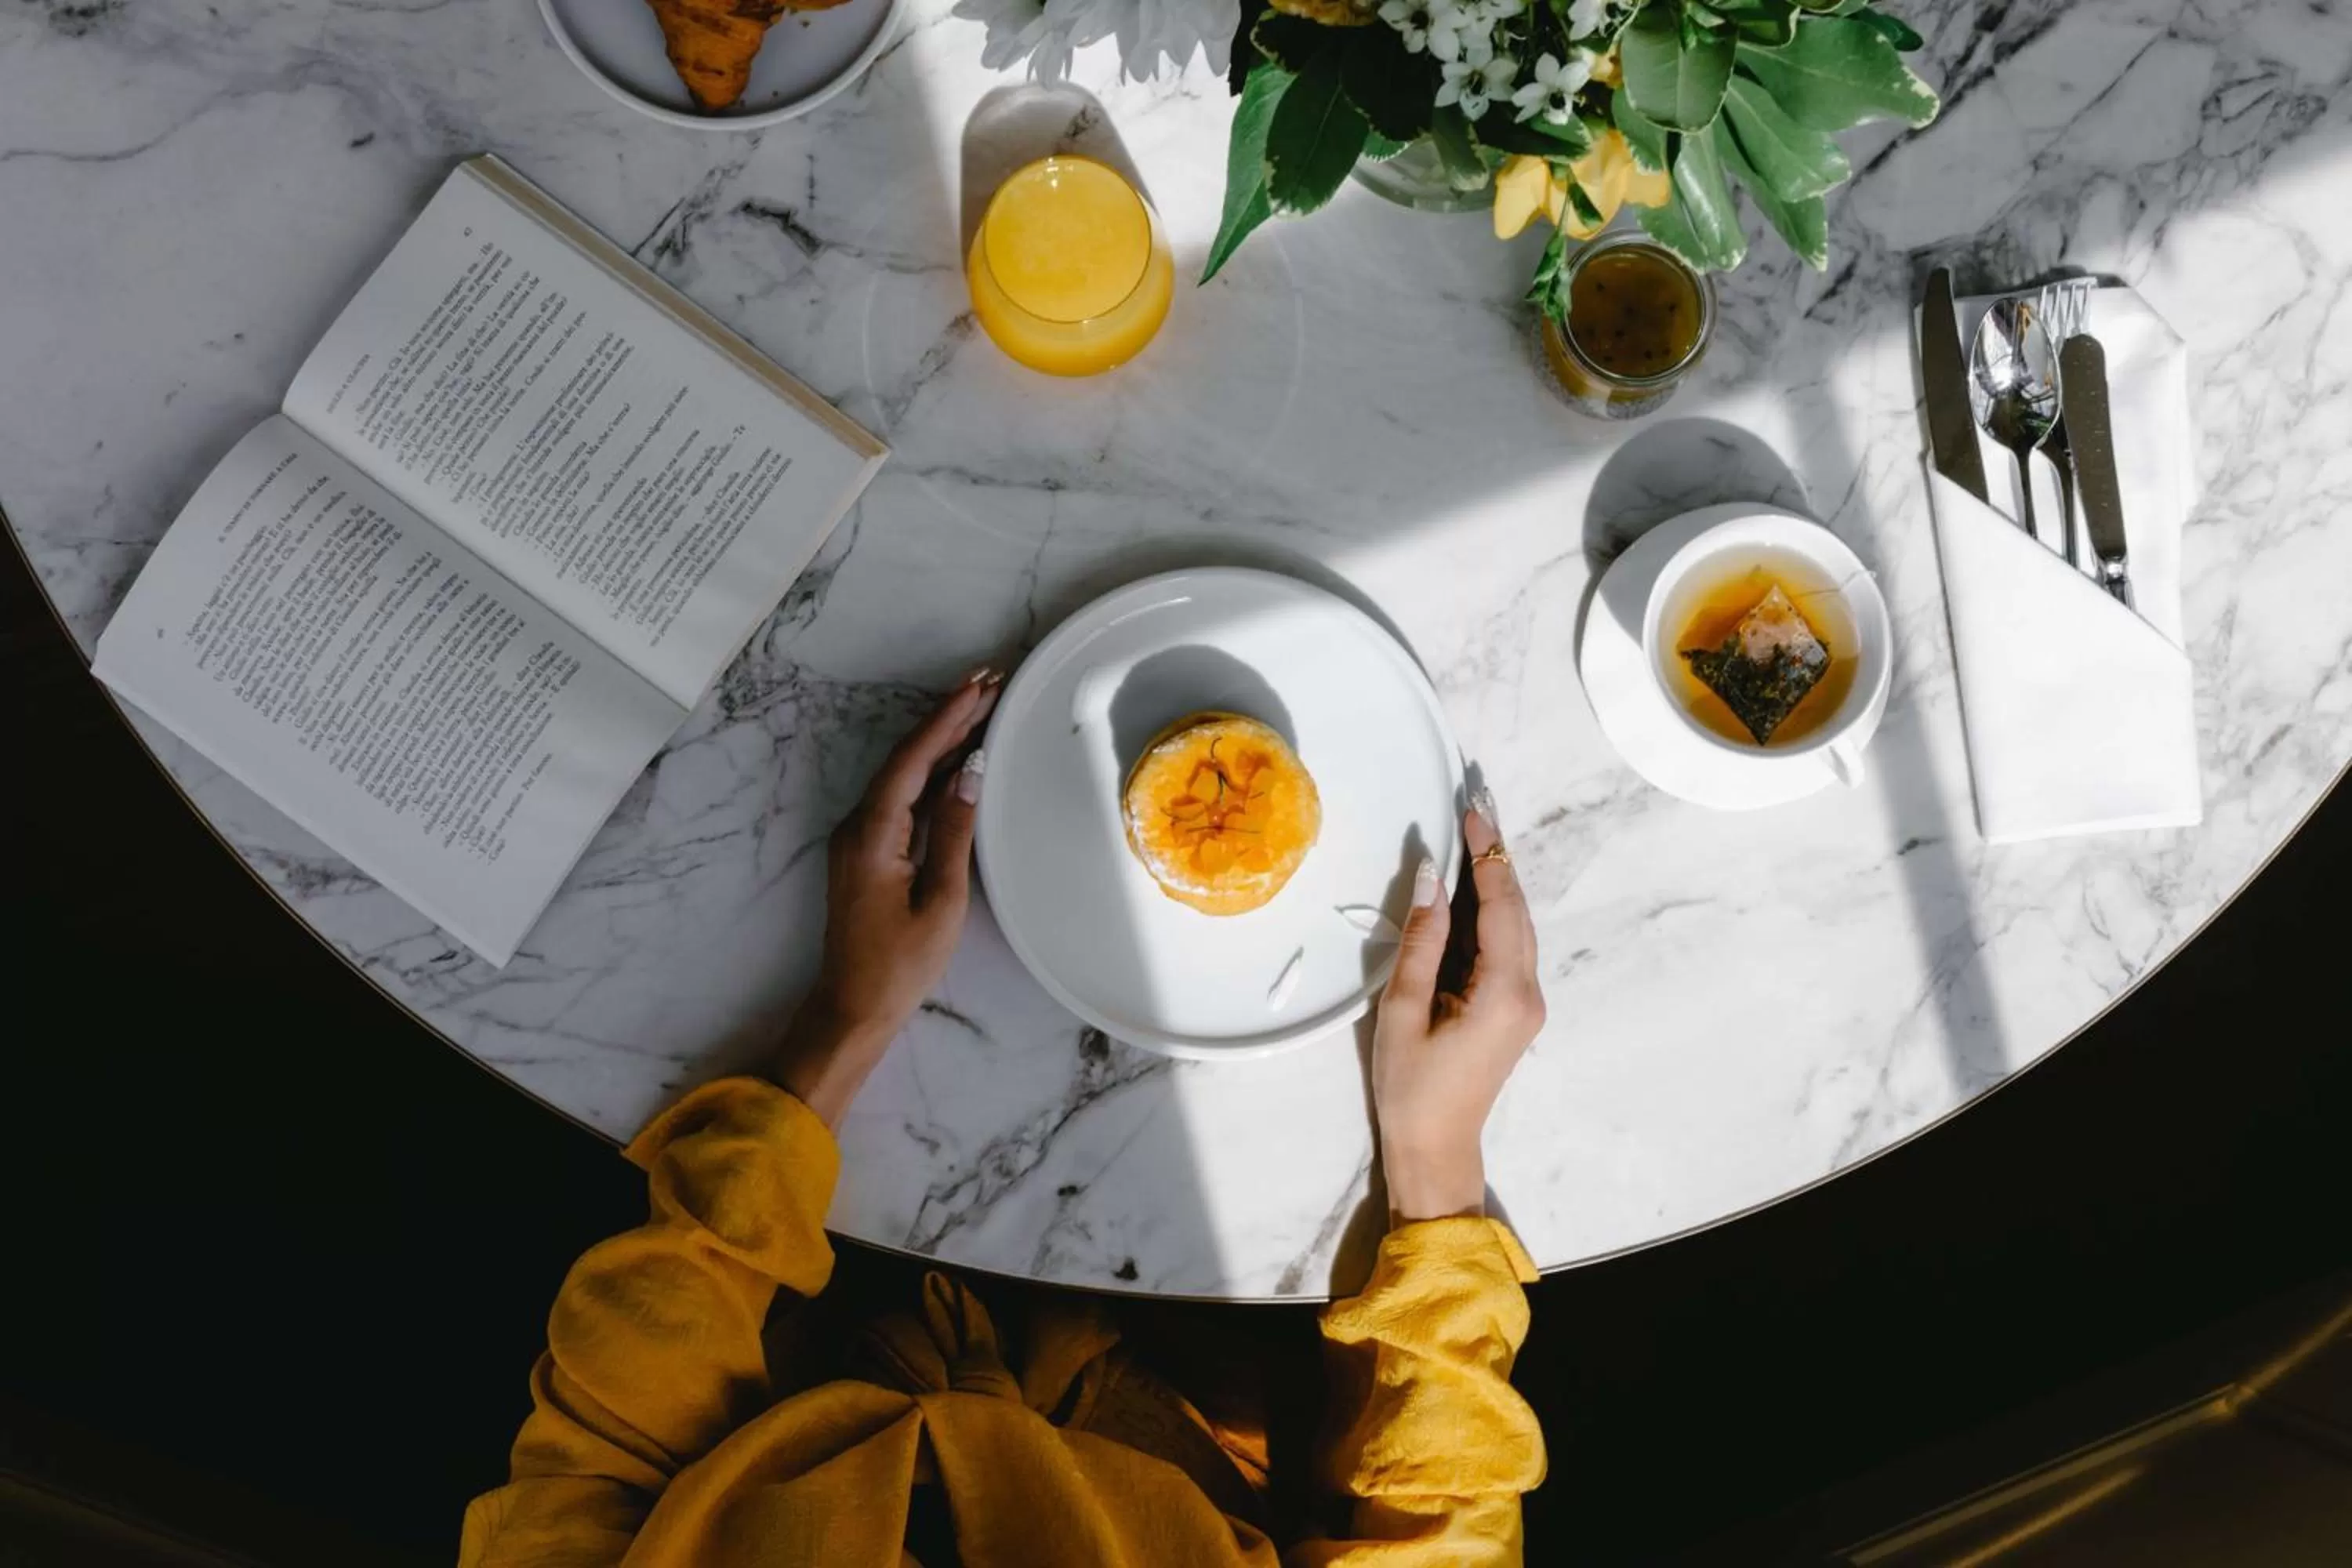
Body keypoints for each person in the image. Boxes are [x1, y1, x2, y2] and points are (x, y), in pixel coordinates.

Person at [459, 671, 1549, 1567]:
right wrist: (1435, 1169)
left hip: (801, 1353)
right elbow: (1448, 1543)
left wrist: (837, 1033)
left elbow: (597, 1458)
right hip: (1197, 1432)